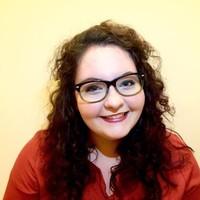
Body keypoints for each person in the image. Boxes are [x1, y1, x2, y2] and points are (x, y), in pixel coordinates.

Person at [3, 20, 200, 200]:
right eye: (93, 87)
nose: (114, 102)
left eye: (127, 82)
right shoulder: (39, 156)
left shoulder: (176, 158)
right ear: (72, 97)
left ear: (144, 86)